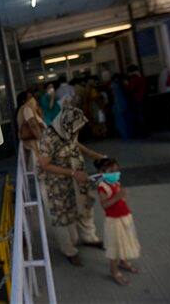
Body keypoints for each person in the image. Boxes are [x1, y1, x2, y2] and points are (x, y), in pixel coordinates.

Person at [38, 106, 106, 266]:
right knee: (63, 218)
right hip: (55, 183)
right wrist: (73, 173)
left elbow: (75, 143)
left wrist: (94, 155)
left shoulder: (69, 129)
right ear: (66, 125)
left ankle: (89, 237)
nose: (77, 132)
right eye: (75, 129)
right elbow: (44, 164)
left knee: (84, 207)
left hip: (75, 176)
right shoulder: (49, 137)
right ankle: (69, 250)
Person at [94, 158, 140, 286]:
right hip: (114, 221)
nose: (115, 173)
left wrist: (122, 198)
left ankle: (123, 262)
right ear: (102, 172)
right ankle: (114, 271)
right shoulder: (102, 187)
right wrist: (118, 197)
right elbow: (105, 205)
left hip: (124, 216)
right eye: (111, 171)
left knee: (125, 240)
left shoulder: (116, 182)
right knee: (115, 245)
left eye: (116, 170)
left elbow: (120, 198)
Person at [16, 90, 45, 155]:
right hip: (34, 143)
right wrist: (42, 139)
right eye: (30, 97)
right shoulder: (26, 109)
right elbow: (33, 125)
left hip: (34, 143)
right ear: (24, 101)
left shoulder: (31, 109)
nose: (33, 99)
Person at [126, 65, 148, 138]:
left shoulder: (133, 79)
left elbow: (130, 89)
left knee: (139, 116)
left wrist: (126, 84)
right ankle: (145, 132)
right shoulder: (141, 78)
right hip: (143, 98)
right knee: (142, 115)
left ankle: (141, 133)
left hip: (136, 99)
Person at [110, 74, 132, 139]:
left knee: (121, 122)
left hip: (118, 106)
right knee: (126, 120)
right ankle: (127, 135)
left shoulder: (114, 86)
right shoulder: (120, 85)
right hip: (122, 105)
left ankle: (125, 135)